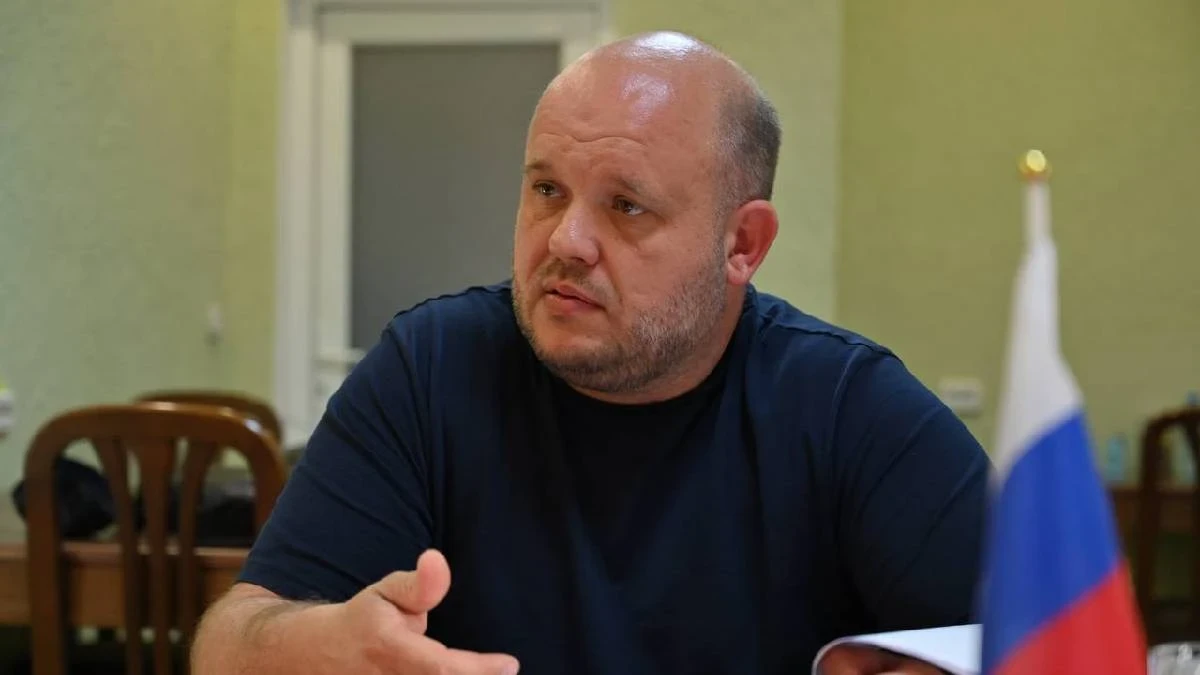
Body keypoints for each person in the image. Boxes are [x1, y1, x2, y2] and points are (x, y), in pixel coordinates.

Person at [192, 31, 989, 675]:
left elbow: (1041, 636)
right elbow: (227, 641)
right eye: (547, 190)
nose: (566, 241)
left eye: (626, 206)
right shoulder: (430, 368)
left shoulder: (849, 406)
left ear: (743, 243)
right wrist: (318, 645)